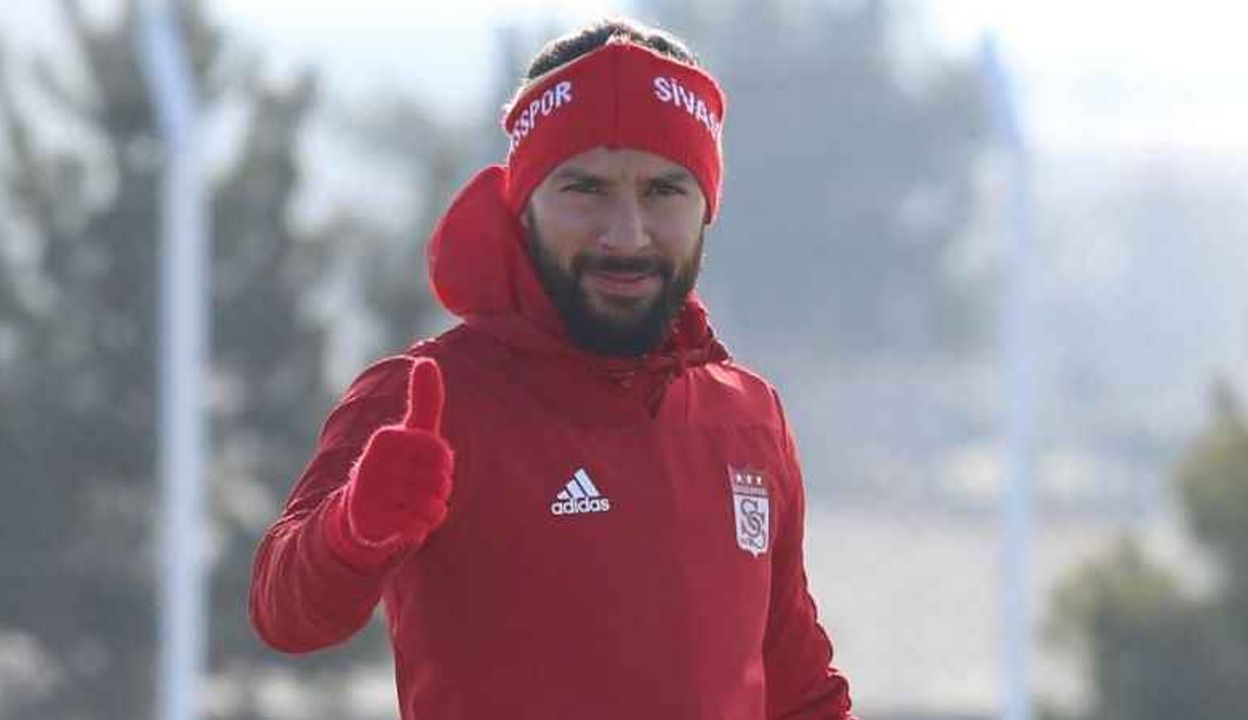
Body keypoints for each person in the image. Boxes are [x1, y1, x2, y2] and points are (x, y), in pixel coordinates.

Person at [250, 17, 856, 720]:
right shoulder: (429, 396)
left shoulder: (748, 416)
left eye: (663, 191)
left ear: (707, 209)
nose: (625, 234)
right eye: (585, 189)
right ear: (523, 205)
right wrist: (353, 528)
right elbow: (284, 611)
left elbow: (797, 687)